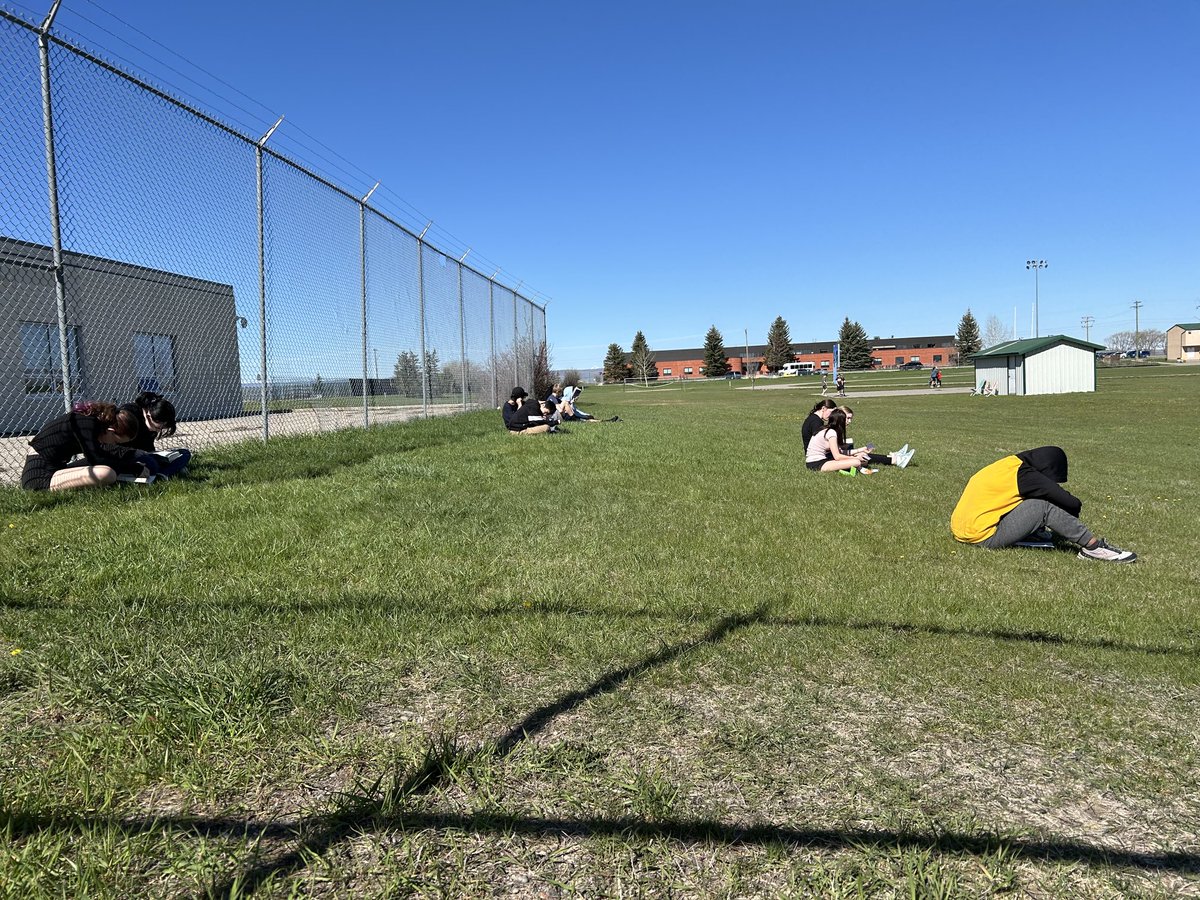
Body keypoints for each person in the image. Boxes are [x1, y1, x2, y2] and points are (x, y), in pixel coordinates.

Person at [950, 446, 1136, 562]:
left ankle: (1034, 534)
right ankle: (1093, 548)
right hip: (982, 537)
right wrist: (1069, 516)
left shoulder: (1007, 465)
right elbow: (1070, 502)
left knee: (1025, 500)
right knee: (1042, 506)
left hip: (961, 530)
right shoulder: (1025, 476)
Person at [21, 401, 145, 491]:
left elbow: (104, 452)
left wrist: (133, 456)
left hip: (56, 468)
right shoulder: (84, 422)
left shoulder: (92, 424)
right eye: (116, 442)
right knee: (107, 473)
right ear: (110, 430)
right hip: (39, 477)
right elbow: (95, 458)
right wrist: (133, 468)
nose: (114, 445)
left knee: (109, 467)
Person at [122, 391, 191, 478]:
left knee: (185, 453)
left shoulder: (154, 420)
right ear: (149, 415)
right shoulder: (130, 415)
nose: (159, 431)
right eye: (158, 428)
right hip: (128, 455)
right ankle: (170, 470)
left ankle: (163, 473)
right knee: (151, 463)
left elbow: (148, 447)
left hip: (145, 454)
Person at [838, 406, 915, 468]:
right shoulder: (835, 431)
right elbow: (837, 454)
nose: (850, 421)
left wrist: (859, 450)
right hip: (836, 460)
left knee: (863, 454)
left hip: (840, 456)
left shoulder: (839, 430)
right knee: (864, 456)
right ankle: (896, 460)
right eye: (848, 418)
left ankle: (895, 457)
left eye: (851, 419)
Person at [804, 408, 871, 474]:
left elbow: (840, 452)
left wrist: (860, 450)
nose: (849, 422)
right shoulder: (831, 433)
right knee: (856, 462)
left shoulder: (826, 429)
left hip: (821, 461)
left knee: (863, 462)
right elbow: (837, 456)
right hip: (816, 463)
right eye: (846, 419)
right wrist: (854, 458)